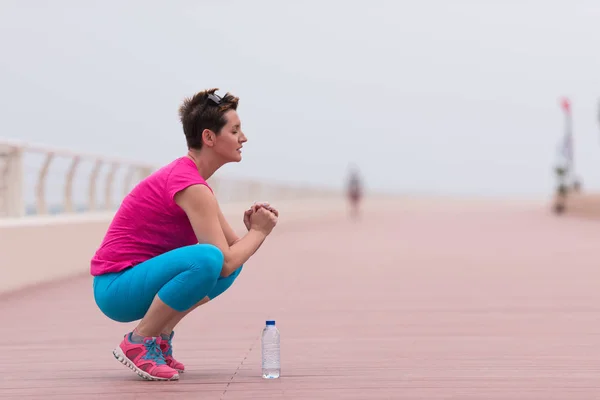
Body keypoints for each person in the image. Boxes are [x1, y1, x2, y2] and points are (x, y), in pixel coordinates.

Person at [90, 88, 279, 381]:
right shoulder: (191, 186)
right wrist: (259, 231)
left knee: (225, 262)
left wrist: (251, 230)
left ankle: (160, 337)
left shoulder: (195, 183)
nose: (244, 138)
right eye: (235, 130)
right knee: (208, 259)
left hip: (133, 283)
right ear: (209, 137)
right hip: (115, 288)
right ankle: (139, 342)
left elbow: (233, 253)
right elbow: (222, 258)